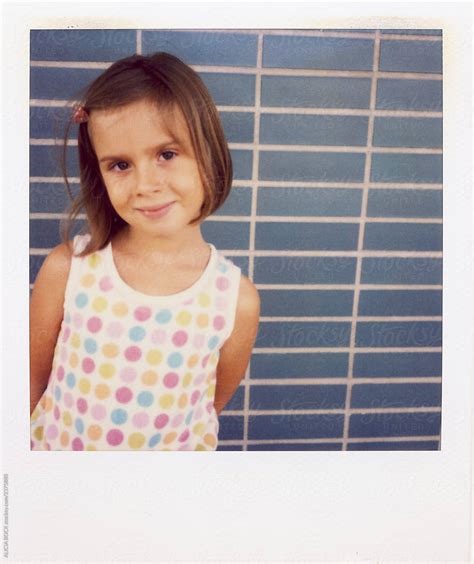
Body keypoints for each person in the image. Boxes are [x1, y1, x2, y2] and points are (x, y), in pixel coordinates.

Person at [30, 52, 260, 451]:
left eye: (166, 155)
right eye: (120, 164)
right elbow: (29, 383)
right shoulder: (68, 269)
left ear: (208, 151)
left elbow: (208, 405)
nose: (145, 184)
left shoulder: (235, 301)